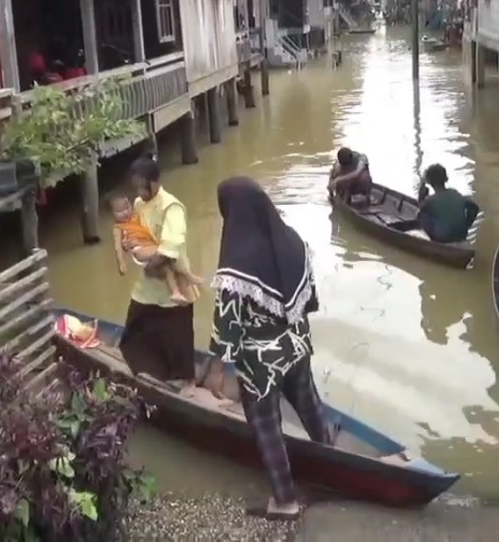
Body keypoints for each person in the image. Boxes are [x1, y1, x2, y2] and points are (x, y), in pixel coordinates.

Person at [199, 177, 332, 521]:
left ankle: (285, 501)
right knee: (310, 406)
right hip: (298, 345)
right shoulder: (293, 242)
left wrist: (216, 367)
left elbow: (227, 325)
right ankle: (331, 470)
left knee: (267, 427)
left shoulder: (236, 261)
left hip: (261, 363)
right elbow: (309, 298)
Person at [117, 157, 197, 389]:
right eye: (136, 186)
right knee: (134, 333)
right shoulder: (140, 204)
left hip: (173, 282)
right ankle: (151, 374)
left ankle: (184, 383)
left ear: (155, 182)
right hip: (148, 283)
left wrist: (153, 264)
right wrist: (128, 243)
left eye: (143, 185)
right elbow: (136, 233)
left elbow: (171, 246)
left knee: (177, 341)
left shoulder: (171, 207)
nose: (140, 191)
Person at [110, 194, 204, 305]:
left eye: (127, 208)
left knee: (167, 266)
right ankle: (188, 276)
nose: (125, 213)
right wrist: (122, 263)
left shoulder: (136, 215)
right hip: (139, 249)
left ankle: (176, 292)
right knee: (168, 253)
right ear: (113, 215)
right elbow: (118, 247)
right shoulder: (118, 228)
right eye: (120, 212)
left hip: (149, 245)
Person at [416, 163, 481, 243]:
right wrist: (467, 224)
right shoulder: (454, 193)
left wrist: (421, 198)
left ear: (429, 181)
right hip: (461, 234)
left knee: (422, 215)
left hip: (443, 238)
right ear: (446, 178)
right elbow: (474, 206)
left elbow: (419, 214)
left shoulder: (430, 200)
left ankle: (435, 241)